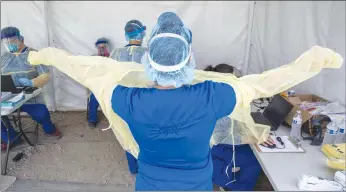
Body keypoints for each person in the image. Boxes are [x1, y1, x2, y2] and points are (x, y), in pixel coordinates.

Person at [26, 15, 343, 191]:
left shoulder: (125, 99)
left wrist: (47, 56)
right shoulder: (213, 95)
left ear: (148, 62)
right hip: (195, 184)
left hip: (149, 183)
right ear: (190, 59)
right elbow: (264, 83)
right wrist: (310, 64)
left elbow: (87, 69)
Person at [206, 64, 274, 190]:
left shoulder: (219, 96)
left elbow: (232, 126)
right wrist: (252, 138)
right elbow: (220, 136)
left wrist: (253, 133)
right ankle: (232, 185)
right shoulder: (219, 103)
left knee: (254, 151)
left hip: (220, 145)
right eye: (237, 78)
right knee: (255, 159)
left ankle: (233, 180)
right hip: (216, 149)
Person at [1, 27, 61, 151]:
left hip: (30, 95)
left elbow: (46, 74)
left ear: (20, 38)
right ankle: (12, 138)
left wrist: (32, 82)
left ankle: (49, 128)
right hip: (8, 95)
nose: (10, 44)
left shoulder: (33, 54)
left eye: (12, 41)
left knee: (41, 114)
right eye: (6, 42)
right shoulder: (4, 58)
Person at [109, 20, 147, 175]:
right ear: (142, 34)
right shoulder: (149, 53)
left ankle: (134, 167)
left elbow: (109, 77)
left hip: (122, 99)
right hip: (144, 100)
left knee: (127, 132)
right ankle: (147, 166)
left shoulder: (116, 54)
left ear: (126, 34)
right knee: (144, 133)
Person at [87, 37, 110, 128]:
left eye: (104, 47)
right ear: (97, 48)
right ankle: (92, 120)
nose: (102, 49)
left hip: (111, 85)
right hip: (98, 86)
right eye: (100, 47)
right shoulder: (93, 59)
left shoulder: (113, 57)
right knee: (93, 99)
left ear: (107, 47)